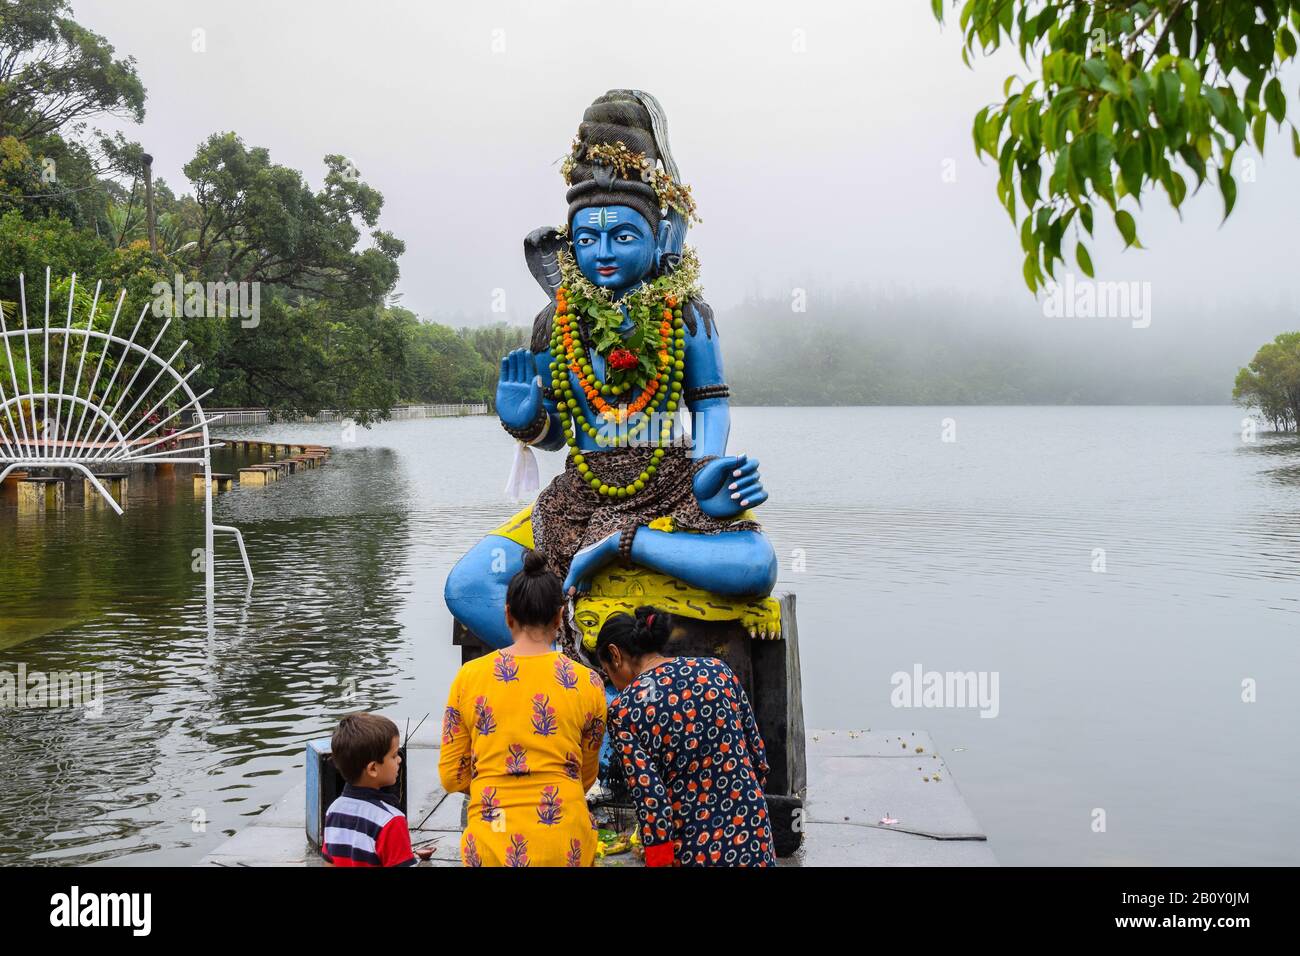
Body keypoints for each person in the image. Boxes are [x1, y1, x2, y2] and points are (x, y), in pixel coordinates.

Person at [438, 548, 607, 867]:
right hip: (563, 838)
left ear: (507, 614)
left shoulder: (470, 678)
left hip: (492, 835)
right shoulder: (588, 682)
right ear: (559, 617)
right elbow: (585, 774)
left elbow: (452, 775)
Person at [592, 606, 776, 867]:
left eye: (608, 671)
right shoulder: (717, 671)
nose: (614, 683)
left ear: (615, 654)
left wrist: (659, 859)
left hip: (696, 849)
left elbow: (652, 800)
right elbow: (758, 758)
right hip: (753, 833)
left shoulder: (626, 709)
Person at [322, 712, 416, 867]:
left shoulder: (334, 810)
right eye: (393, 756)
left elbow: (330, 863)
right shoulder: (391, 821)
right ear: (373, 768)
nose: (399, 759)